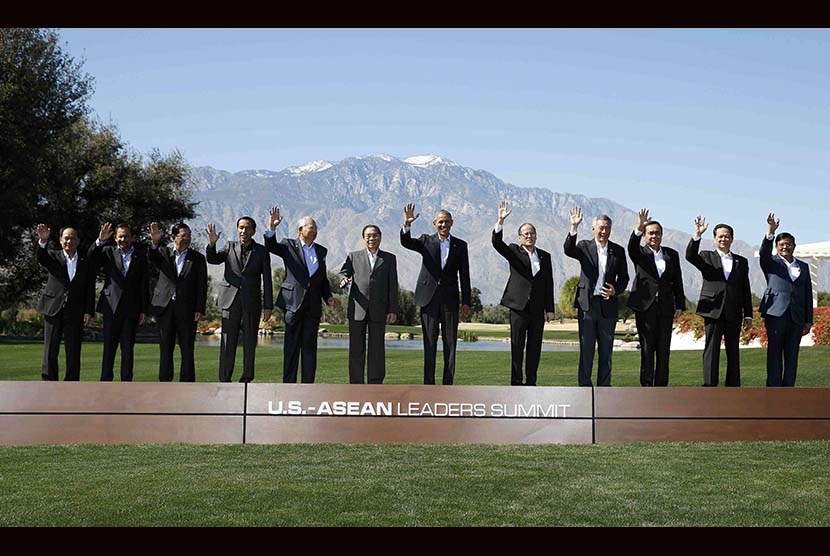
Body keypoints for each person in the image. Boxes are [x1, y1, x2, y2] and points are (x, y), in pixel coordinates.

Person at [400, 203, 471, 385]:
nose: (443, 225)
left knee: (450, 345)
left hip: (450, 301)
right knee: (429, 344)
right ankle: (429, 385)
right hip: (428, 299)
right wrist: (407, 224)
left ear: (452, 223)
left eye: (446, 222)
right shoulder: (425, 241)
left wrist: (466, 303)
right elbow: (406, 242)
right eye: (440, 222)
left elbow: (464, 275)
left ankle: (448, 384)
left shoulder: (461, 245)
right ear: (434, 224)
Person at [264, 207, 337, 383]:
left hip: (312, 307)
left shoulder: (321, 251)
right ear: (300, 230)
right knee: (291, 348)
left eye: (316, 228)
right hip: (293, 304)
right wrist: (272, 228)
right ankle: (289, 386)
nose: (315, 230)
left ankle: (308, 386)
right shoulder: (288, 245)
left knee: (310, 349)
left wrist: (327, 296)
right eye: (311, 227)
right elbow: (271, 246)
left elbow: (322, 278)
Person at [564, 207, 630, 387]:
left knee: (606, 351)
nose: (604, 231)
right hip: (587, 305)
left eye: (607, 228)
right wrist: (573, 227)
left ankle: (604, 389)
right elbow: (568, 250)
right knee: (586, 350)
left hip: (608, 306)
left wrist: (615, 290)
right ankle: (584, 389)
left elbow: (624, 278)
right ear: (594, 229)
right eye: (600, 228)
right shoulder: (584, 246)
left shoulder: (618, 250)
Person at [491, 201, 555, 386]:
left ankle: (531, 382)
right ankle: (516, 383)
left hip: (537, 309)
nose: (529, 236)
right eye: (525, 234)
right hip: (518, 307)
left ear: (536, 236)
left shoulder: (545, 256)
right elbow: (496, 243)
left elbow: (548, 284)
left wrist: (549, 309)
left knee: (535, 347)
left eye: (532, 233)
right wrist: (500, 221)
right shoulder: (513, 251)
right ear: (520, 237)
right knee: (517, 347)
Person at [685, 217, 753, 387]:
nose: (723, 239)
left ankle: (733, 386)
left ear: (732, 239)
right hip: (713, 310)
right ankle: (709, 385)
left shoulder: (741, 261)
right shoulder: (706, 256)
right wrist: (697, 235)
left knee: (733, 350)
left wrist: (749, 315)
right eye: (720, 236)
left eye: (727, 236)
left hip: (734, 311)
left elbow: (745, 288)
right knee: (711, 350)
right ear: (715, 238)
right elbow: (690, 256)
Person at [206, 217, 273, 383]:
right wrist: (212, 244)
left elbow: (268, 280)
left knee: (250, 342)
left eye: (247, 228)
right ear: (237, 230)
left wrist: (268, 306)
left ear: (253, 231)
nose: (244, 231)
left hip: (252, 302)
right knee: (228, 341)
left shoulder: (262, 251)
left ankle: (247, 377)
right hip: (230, 301)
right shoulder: (229, 247)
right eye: (241, 228)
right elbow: (213, 259)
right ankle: (225, 378)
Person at [627, 209, 686, 387]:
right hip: (645, 307)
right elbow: (631, 247)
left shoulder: (671, 254)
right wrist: (638, 227)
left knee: (663, 348)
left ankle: (661, 386)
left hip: (666, 307)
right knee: (646, 348)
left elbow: (678, 280)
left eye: (657, 233)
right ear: (644, 236)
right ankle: (646, 386)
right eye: (650, 233)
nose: (654, 236)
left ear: (662, 235)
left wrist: (680, 304)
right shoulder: (640, 253)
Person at [338, 225, 400, 384]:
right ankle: (356, 383)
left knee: (377, 349)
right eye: (368, 236)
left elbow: (393, 285)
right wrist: (343, 280)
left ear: (380, 237)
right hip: (357, 309)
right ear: (363, 238)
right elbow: (343, 272)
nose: (371, 238)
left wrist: (392, 309)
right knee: (356, 349)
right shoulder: (353, 256)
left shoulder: (389, 258)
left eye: (375, 235)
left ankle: (375, 382)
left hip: (379, 310)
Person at [147, 222, 207, 382]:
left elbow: (202, 285)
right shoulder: (163, 253)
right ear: (174, 237)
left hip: (187, 310)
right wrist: (154, 241)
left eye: (189, 236)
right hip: (165, 308)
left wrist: (199, 308)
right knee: (166, 348)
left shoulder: (198, 258)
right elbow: (152, 257)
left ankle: (187, 385)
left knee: (187, 349)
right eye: (183, 236)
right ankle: (165, 385)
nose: (187, 239)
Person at [88, 222, 149, 381]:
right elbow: (90, 258)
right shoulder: (107, 252)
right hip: (111, 306)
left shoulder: (141, 256)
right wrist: (100, 241)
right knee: (109, 347)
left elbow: (144, 283)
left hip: (131, 309)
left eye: (126, 236)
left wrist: (143, 309)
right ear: (115, 238)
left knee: (128, 349)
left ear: (133, 238)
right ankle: (105, 381)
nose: (123, 239)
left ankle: (126, 382)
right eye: (120, 236)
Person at [34, 224, 95, 381]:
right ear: (61, 240)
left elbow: (89, 288)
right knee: (50, 350)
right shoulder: (53, 256)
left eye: (73, 238)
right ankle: (49, 383)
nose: (69, 241)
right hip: (53, 308)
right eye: (66, 238)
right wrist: (43, 240)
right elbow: (41, 257)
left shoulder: (85, 260)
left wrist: (89, 311)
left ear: (78, 241)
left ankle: (72, 384)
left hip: (75, 311)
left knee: (73, 350)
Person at [759, 213, 813, 387]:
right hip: (775, 313)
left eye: (788, 244)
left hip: (796, 317)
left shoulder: (803, 267)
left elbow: (807, 294)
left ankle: (789, 389)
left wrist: (808, 321)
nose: (785, 247)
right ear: (777, 247)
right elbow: (763, 252)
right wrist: (770, 232)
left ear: (794, 246)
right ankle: (773, 390)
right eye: (781, 244)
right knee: (774, 354)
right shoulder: (770, 262)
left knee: (792, 354)